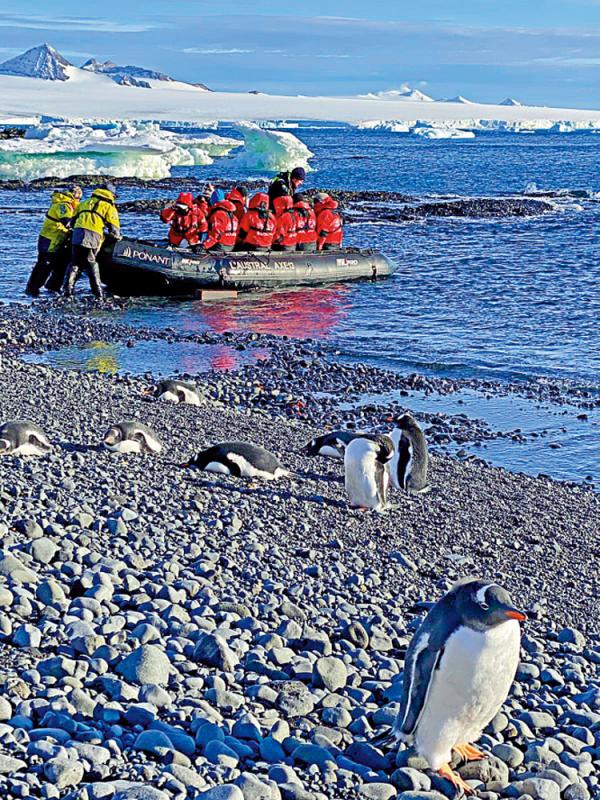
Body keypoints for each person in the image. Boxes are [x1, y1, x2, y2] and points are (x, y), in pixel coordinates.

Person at [63, 183, 120, 301]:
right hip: (93, 234)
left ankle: (67, 290)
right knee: (91, 262)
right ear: (112, 195)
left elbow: (72, 222)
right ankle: (98, 293)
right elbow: (115, 230)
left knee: (75, 261)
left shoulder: (85, 202)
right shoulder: (109, 207)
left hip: (78, 233)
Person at [25, 185, 82, 297]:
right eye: (78, 199)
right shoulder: (63, 205)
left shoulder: (64, 204)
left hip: (56, 239)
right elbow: (67, 221)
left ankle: (51, 287)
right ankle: (32, 289)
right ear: (74, 196)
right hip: (49, 238)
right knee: (44, 264)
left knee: (59, 264)